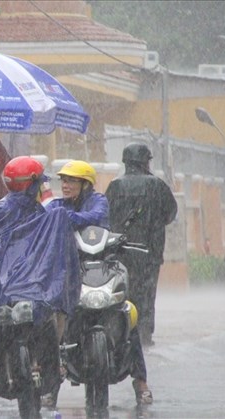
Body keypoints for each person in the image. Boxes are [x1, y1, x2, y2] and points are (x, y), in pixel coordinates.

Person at [0, 156, 80, 418]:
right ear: (31, 185)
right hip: (7, 290)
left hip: (18, 291)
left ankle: (44, 375)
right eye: (38, 184)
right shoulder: (9, 211)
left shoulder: (38, 214)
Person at [44, 159, 153, 407]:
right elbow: (47, 217)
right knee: (53, 317)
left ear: (85, 184)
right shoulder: (58, 204)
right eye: (64, 180)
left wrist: (62, 216)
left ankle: (141, 382)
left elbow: (92, 218)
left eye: (72, 181)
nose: (66, 185)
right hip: (70, 270)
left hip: (103, 267)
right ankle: (51, 385)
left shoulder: (98, 201)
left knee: (129, 313)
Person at [105, 143, 177, 347]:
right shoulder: (158, 185)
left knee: (123, 291)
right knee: (147, 292)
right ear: (145, 161)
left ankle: (125, 330)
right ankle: (144, 332)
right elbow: (171, 213)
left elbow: (106, 216)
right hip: (150, 251)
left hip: (121, 251)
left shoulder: (115, 185)